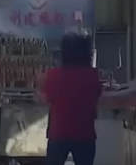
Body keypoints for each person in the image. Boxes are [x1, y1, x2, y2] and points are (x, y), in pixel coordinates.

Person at [41, 32, 101, 165]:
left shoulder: (54, 74)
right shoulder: (92, 75)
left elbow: (45, 99)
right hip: (85, 133)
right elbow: (97, 97)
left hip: (59, 132)